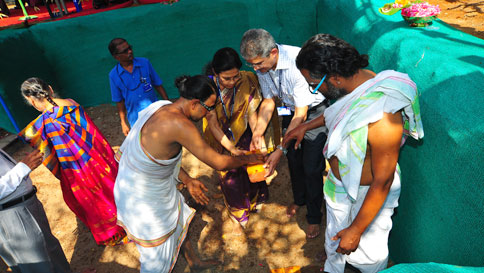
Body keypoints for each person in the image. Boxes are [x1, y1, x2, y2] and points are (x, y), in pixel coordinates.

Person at [290, 33, 424, 272]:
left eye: (314, 85)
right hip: (338, 186)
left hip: (368, 195)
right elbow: (341, 112)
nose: (314, 92)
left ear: (335, 79)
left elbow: (382, 182)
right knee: (335, 240)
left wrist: (356, 229)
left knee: (369, 257)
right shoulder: (359, 85)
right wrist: (305, 126)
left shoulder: (383, 118)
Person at [113, 75, 264, 273]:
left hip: (147, 185)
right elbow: (218, 162)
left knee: (178, 221)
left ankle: (194, 262)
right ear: (194, 104)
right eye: (209, 108)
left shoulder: (161, 106)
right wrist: (249, 159)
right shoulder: (180, 125)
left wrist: (187, 179)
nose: (209, 114)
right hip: (143, 200)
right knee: (156, 261)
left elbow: (157, 157)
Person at [240, 28, 328, 239]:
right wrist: (258, 132)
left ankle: (314, 217)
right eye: (251, 64)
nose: (255, 68)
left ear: (273, 52)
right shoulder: (263, 68)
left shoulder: (297, 65)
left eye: (258, 63)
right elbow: (269, 101)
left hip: (314, 115)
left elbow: (302, 113)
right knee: (294, 162)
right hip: (291, 111)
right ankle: (300, 200)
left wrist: (280, 148)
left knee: (311, 167)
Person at [19, 77, 127, 246]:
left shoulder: (45, 124)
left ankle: (113, 232)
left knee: (91, 197)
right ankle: (130, 218)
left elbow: (49, 148)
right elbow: (89, 130)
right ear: (50, 89)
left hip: (77, 168)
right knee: (111, 185)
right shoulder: (71, 104)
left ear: (32, 102)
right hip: (96, 156)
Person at [202, 47, 280, 230]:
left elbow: (251, 111)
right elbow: (213, 125)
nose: (232, 82)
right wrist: (232, 149)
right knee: (231, 176)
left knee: (253, 164)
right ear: (215, 72)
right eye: (226, 78)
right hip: (220, 136)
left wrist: (256, 134)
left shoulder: (246, 80)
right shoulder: (207, 89)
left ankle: (256, 198)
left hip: (243, 130)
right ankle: (239, 210)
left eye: (235, 76)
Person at [0, 148, 72, 273]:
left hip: (25, 204)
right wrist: (22, 168)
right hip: (10, 214)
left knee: (50, 249)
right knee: (37, 264)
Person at [108, 38, 169, 136]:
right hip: (136, 119)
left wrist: (167, 104)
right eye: (125, 51)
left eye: (130, 48)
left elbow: (157, 84)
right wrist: (123, 122)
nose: (130, 51)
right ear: (116, 57)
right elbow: (119, 101)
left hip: (155, 113)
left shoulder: (145, 63)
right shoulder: (113, 75)